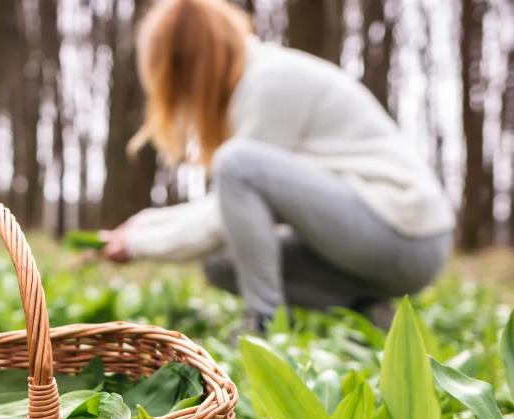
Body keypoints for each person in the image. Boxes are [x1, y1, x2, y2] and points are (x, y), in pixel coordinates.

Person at [99, 0, 454, 329]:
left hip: (407, 235)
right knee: (222, 265)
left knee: (235, 164)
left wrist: (137, 245)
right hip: (371, 241)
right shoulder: (253, 85)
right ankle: (372, 315)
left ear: (189, 62)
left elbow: (221, 210)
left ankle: (261, 323)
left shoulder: (270, 81)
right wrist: (139, 228)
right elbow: (225, 213)